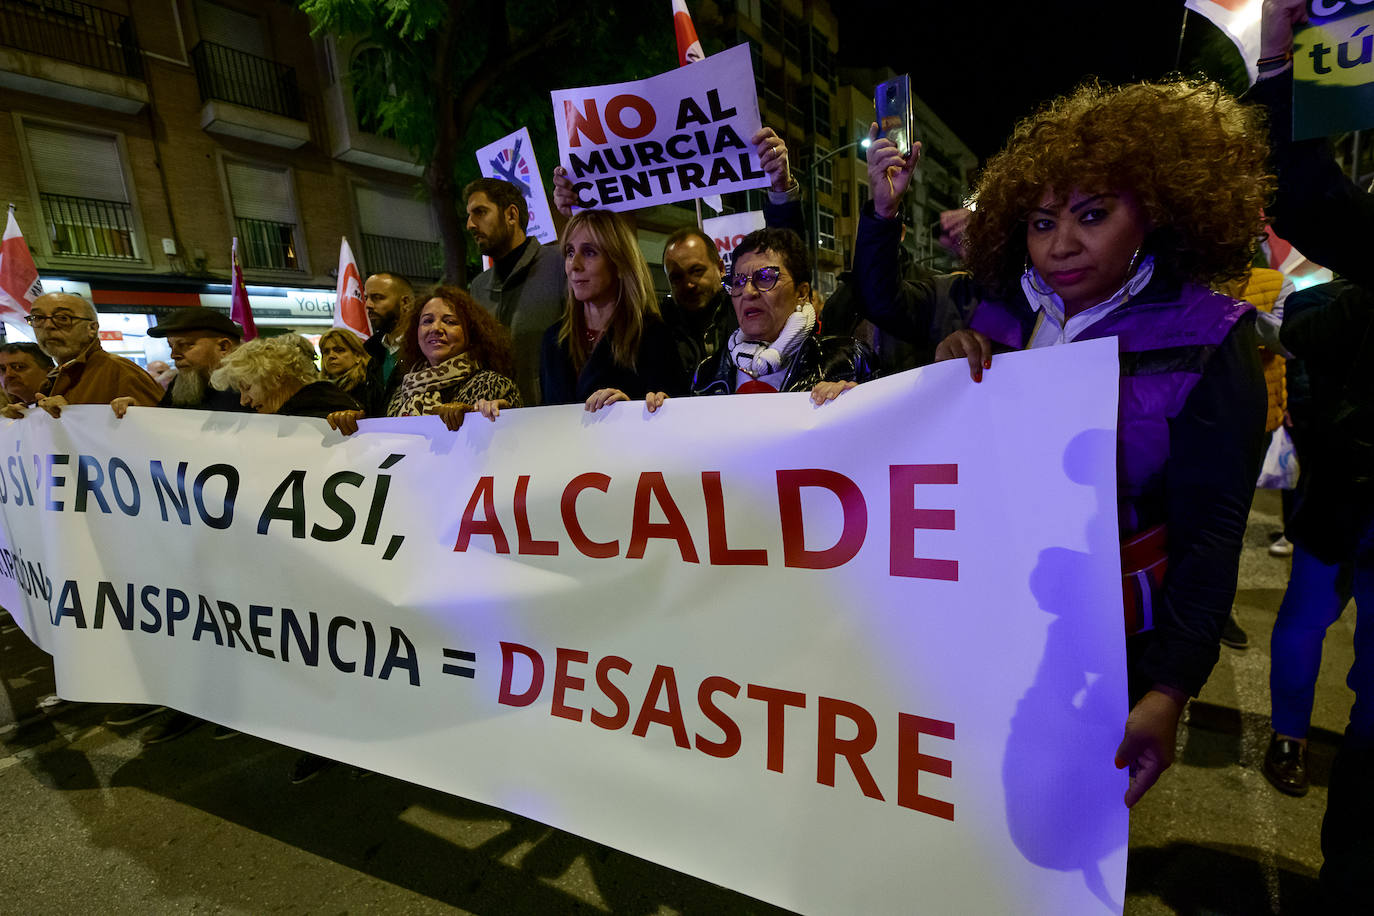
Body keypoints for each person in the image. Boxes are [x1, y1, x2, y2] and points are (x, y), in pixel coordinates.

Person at [931, 79, 1270, 808]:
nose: (1062, 246)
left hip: (1116, 640)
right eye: (1041, 221)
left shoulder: (1211, 337)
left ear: (1152, 210)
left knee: (1063, 814)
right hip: (991, 608)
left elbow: (1212, 534)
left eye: (1092, 215)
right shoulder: (1002, 316)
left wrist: (1172, 688)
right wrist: (953, 365)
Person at [1250, 0, 1374, 902]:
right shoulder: (1330, 303)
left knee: (1308, 620)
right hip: (1343, 496)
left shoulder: (1324, 306)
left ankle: (1291, 741)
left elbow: (1303, 202)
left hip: (1335, 496)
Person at [682, 227, 875, 402]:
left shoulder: (849, 361)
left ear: (801, 293)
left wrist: (859, 402)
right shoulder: (707, 373)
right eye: (739, 281)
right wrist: (661, 414)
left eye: (765, 277)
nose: (748, 292)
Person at [538, 209, 685, 410]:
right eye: (570, 252)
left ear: (618, 262)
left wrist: (629, 409)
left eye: (589, 252)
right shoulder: (553, 339)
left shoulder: (652, 335)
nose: (575, 264)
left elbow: (674, 416)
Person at [327, 286, 521, 435]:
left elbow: (515, 438)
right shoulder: (402, 389)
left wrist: (477, 417)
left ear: (471, 333)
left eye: (450, 321)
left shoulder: (495, 384)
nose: (436, 328)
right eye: (427, 321)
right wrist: (355, 425)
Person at [465, 178, 565, 406]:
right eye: (469, 216)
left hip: (557, 422)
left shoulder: (561, 265)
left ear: (511, 215)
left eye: (480, 212)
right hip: (495, 423)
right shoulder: (478, 287)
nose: (470, 224)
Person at [1, 292, 163, 419]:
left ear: (92, 328)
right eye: (39, 318)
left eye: (63, 318)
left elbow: (165, 432)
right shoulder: (54, 378)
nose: (48, 326)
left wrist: (74, 414)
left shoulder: (119, 370)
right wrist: (27, 417)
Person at [113, 306, 248, 416]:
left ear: (223, 347)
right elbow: (165, 424)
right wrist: (138, 413)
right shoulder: (179, 383)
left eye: (185, 344)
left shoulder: (253, 385)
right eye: (171, 346)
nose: (174, 355)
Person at [210, 335, 361, 419]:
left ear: (277, 375)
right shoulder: (295, 413)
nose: (243, 401)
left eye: (247, 387)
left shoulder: (326, 416)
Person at [358, 272, 414, 416]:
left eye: (377, 298)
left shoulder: (425, 351)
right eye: (366, 298)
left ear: (405, 302)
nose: (368, 305)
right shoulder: (374, 354)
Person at [318, 328, 369, 396]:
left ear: (357, 355)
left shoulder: (368, 386)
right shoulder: (319, 389)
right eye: (326, 352)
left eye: (339, 350)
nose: (331, 356)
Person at [0, 342, 53, 406]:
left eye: (18, 367)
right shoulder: (9, 411)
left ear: (49, 372)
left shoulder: (65, 402)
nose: (8, 375)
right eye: (3, 369)